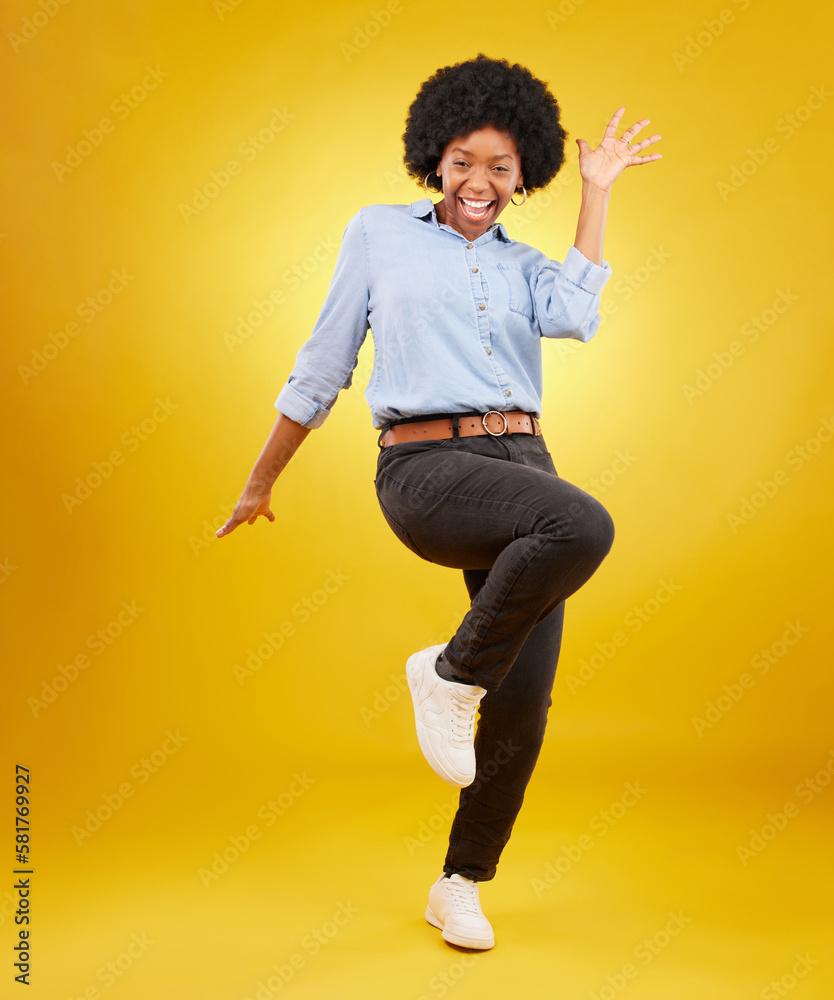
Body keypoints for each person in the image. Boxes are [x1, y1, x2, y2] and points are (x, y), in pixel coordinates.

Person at [217, 53, 661, 951]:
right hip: (423, 467)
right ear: (435, 158)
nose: (480, 182)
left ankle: (459, 883)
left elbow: (576, 317)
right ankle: (449, 673)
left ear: (522, 173)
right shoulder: (379, 234)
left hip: (522, 459)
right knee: (580, 522)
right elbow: (325, 364)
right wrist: (262, 479)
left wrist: (598, 190)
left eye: (501, 167)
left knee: (525, 703)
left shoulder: (525, 263)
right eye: (464, 160)